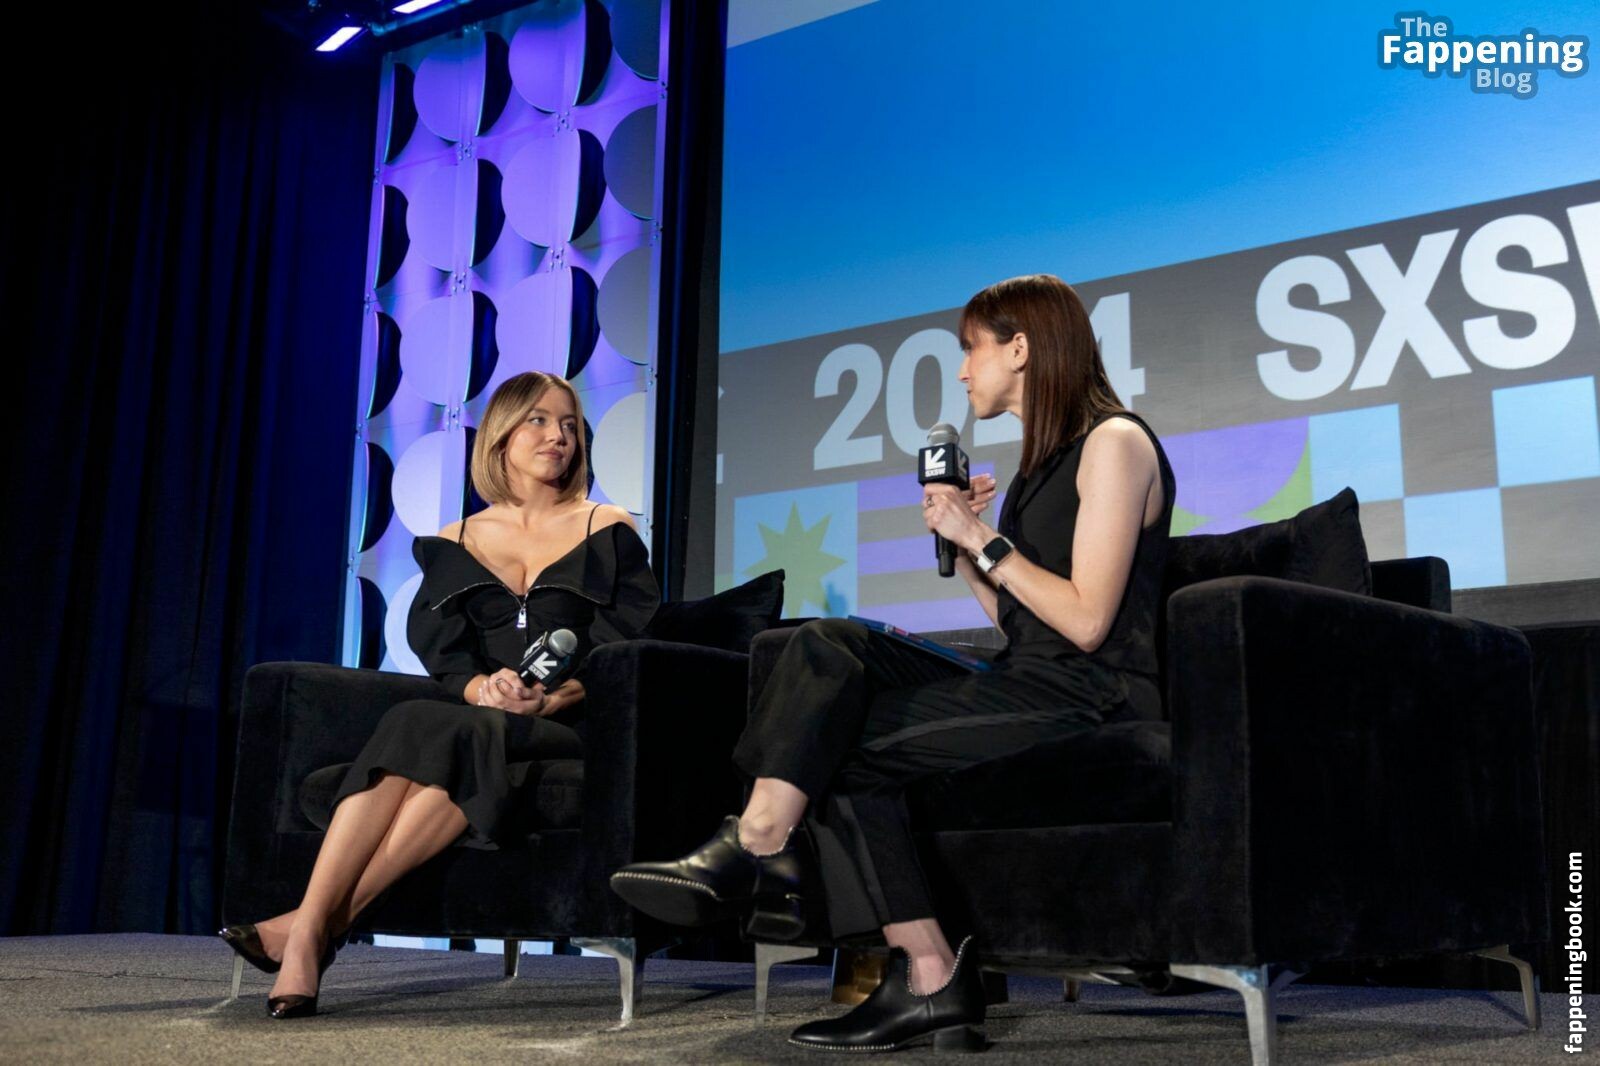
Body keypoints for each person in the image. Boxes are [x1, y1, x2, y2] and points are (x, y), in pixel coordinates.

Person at [610, 274, 1175, 1053]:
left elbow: (1085, 622)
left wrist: (983, 540)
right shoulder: (1041, 466)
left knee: (836, 744)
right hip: (1031, 678)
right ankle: (773, 845)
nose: (963, 372)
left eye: (970, 351)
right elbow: (1020, 622)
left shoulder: (1116, 442)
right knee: (827, 645)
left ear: (1020, 348)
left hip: (1095, 694)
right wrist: (967, 549)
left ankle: (789, 869)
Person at [219, 371, 659, 1018]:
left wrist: (552, 698)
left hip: (570, 722)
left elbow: (628, 643)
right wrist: (483, 688)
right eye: (539, 420)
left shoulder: (607, 529)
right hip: (478, 719)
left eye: (569, 425)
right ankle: (316, 930)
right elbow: (446, 656)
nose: (558, 436)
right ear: (501, 436)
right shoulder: (454, 541)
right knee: (450, 730)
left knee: (431, 726)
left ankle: (309, 926)